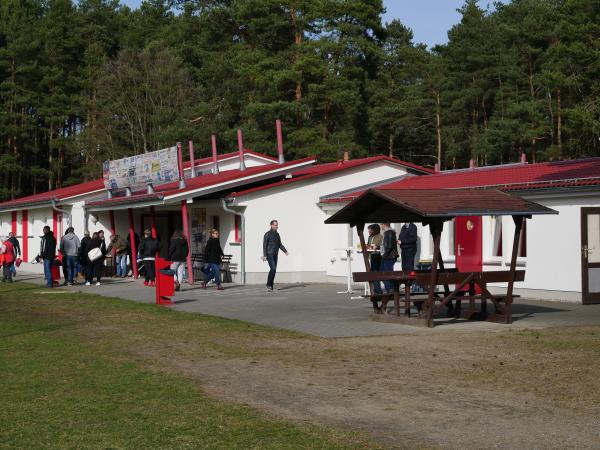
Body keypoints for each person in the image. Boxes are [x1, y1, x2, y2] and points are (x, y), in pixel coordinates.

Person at [262, 219, 288, 291]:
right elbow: (264, 245)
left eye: (277, 225)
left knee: (274, 270)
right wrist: (264, 255)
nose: (277, 226)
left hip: (275, 254)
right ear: (271, 225)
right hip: (269, 254)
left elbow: (279, 244)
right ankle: (268, 284)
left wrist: (285, 251)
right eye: (275, 225)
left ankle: (271, 284)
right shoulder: (267, 234)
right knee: (273, 269)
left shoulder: (277, 234)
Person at [380, 223, 398, 296]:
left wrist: (384, 255)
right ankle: (390, 289)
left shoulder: (390, 233)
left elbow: (390, 246)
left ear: (384, 224)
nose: (380, 226)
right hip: (388, 256)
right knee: (382, 272)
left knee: (387, 273)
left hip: (390, 256)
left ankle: (391, 289)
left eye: (381, 225)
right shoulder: (387, 233)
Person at [367, 224, 383, 295]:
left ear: (374, 230)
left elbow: (382, 246)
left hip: (377, 257)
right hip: (372, 256)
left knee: (376, 273)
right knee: (372, 273)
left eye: (370, 229)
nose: (369, 231)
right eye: (369, 229)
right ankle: (373, 290)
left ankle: (378, 290)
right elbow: (368, 245)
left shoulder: (380, 237)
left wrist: (377, 247)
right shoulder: (370, 237)